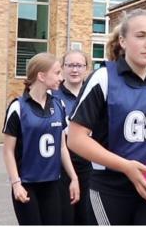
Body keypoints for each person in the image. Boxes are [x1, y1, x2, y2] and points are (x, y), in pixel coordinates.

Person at [67, 8, 146, 225]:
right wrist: (126, 166)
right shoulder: (103, 78)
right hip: (111, 188)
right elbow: (75, 139)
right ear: (123, 41)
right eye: (140, 36)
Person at [3, 52, 80, 225]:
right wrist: (16, 183)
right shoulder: (18, 107)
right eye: (57, 72)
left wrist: (74, 177)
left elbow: (61, 147)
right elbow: (8, 151)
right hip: (27, 184)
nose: (61, 78)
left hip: (52, 183)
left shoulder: (58, 105)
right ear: (41, 76)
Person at [52, 49, 91, 225]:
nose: (74, 70)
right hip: (60, 167)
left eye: (79, 65)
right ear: (62, 68)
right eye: (70, 65)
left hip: (89, 166)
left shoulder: (93, 94)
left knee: (86, 217)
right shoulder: (52, 95)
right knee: (64, 217)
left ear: (86, 68)